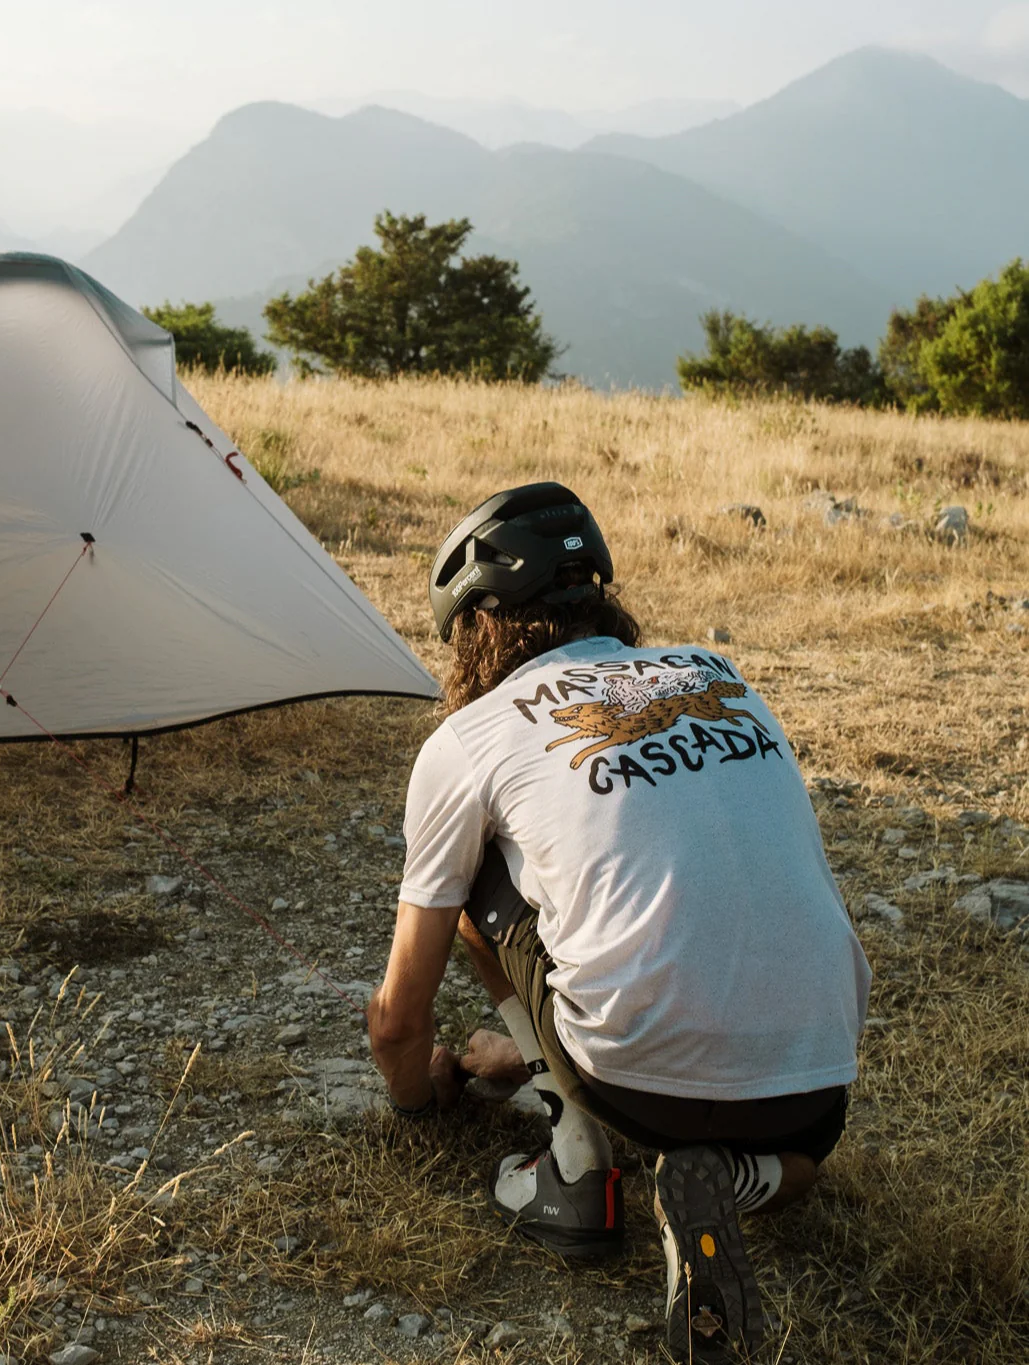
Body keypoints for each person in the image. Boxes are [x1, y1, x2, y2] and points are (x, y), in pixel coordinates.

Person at [367, 483, 871, 1364]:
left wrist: (420, 1102)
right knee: (801, 1169)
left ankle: (576, 1160)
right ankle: (731, 1181)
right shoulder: (717, 670)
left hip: (633, 1076)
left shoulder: (471, 736)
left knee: (470, 878)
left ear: (481, 620)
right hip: (812, 1074)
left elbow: (397, 1020)